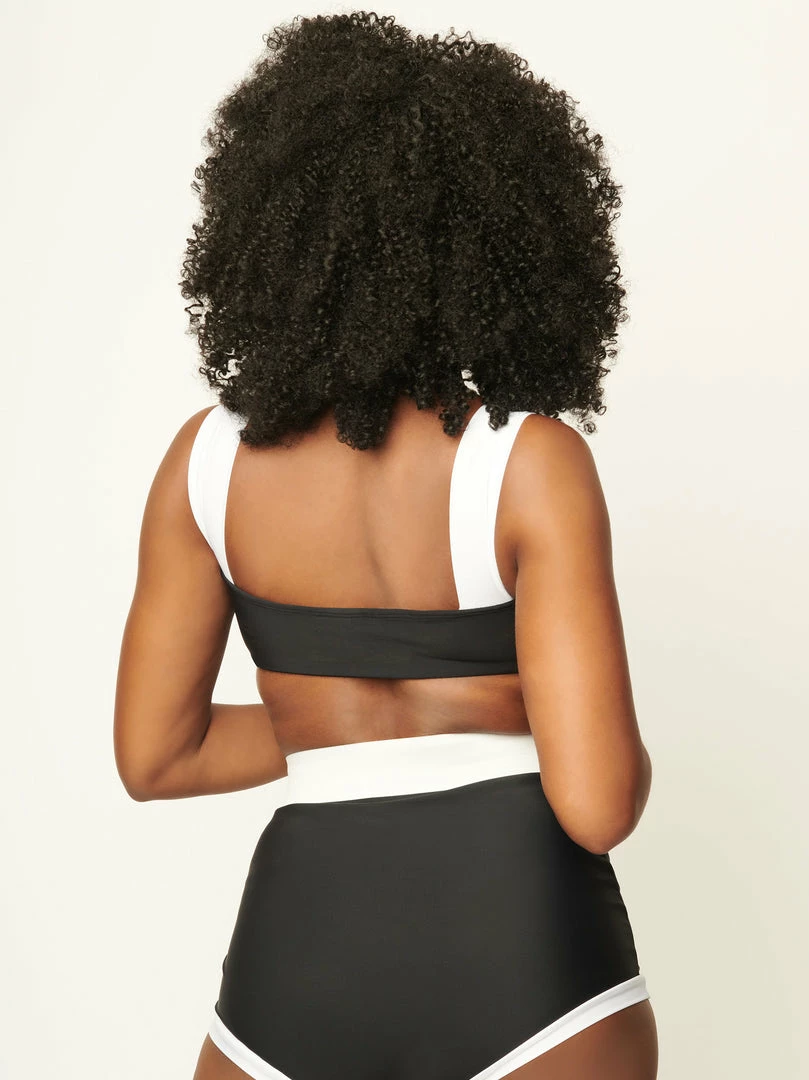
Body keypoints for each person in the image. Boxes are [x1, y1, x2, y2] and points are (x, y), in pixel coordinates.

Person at [114, 12, 659, 1079]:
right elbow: (597, 803)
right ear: (503, 239)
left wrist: (330, 724)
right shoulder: (528, 462)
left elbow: (157, 756)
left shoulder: (205, 463)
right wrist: (521, 720)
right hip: (533, 970)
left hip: (295, 968)